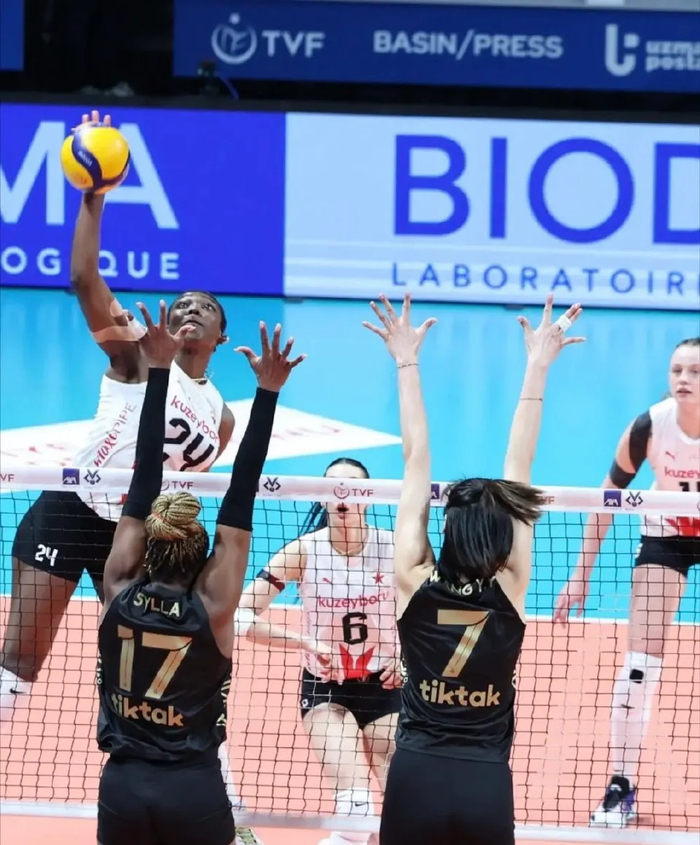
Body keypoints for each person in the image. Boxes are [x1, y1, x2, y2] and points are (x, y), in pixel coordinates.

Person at [1, 112, 234, 721]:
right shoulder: (137, 355)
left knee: (136, 678)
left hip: (134, 535)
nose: (190, 308)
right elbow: (83, 278)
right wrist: (94, 195)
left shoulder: (223, 417)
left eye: (205, 307)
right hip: (70, 510)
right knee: (17, 669)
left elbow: (183, 488)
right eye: (182, 302)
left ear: (221, 336)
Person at [361, 293, 584, 845]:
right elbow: (519, 464)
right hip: (484, 779)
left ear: (449, 527)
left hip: (415, 771)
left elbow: (415, 458)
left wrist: (405, 361)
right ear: (503, 533)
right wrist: (538, 366)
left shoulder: (413, 577)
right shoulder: (510, 585)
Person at [96, 304, 303, 845]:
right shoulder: (212, 608)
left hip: (121, 787)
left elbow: (144, 471)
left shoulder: (118, 588)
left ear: (144, 548)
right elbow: (241, 490)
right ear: (205, 557)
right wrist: (267, 393)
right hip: (192, 788)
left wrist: (158, 372)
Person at [554, 336, 700, 828]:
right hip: (668, 537)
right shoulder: (648, 427)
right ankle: (621, 785)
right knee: (638, 669)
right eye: (677, 370)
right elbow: (608, 497)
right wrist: (580, 576)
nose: (683, 379)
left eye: (695, 371)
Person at [236, 456, 401, 845]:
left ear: (369, 496)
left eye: (352, 488)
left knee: (409, 806)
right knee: (356, 808)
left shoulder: (394, 548)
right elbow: (240, 615)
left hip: (386, 687)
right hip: (326, 689)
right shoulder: (303, 552)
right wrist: (304, 642)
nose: (341, 496)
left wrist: (405, 658)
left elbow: (430, 616)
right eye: (332, 488)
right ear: (322, 497)